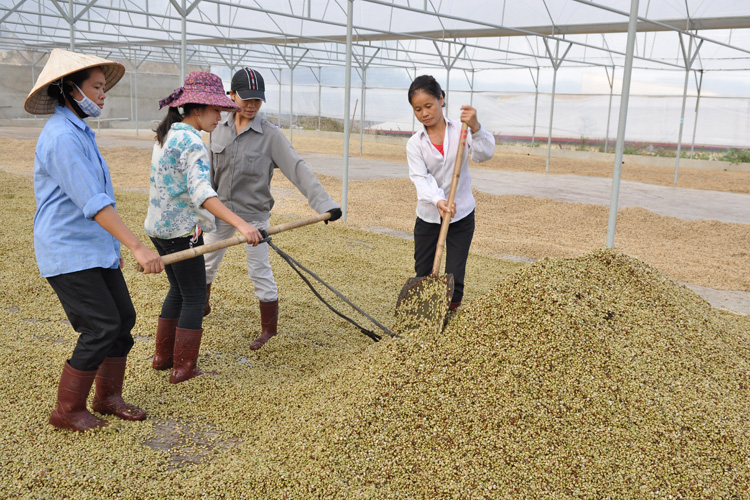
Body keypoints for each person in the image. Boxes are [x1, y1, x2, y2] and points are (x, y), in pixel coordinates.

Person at [25, 48, 165, 432]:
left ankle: (107, 397)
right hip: (67, 251)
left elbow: (97, 200)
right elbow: (93, 201)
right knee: (100, 326)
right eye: (96, 87)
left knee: (123, 319)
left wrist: (112, 249)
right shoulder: (60, 138)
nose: (103, 95)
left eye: (104, 87)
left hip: (92, 249)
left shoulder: (80, 132)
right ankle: (66, 410)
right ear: (69, 89)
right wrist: (137, 246)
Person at [203, 67, 342, 351]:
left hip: (254, 215)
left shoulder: (270, 135)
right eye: (246, 99)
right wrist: (200, 211)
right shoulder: (217, 127)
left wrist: (325, 204)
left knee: (259, 269)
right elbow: (207, 172)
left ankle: (269, 330)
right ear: (231, 96)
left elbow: (297, 169)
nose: (252, 105)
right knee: (204, 263)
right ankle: (199, 307)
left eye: (258, 100)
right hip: (220, 211)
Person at [145, 71, 263, 384]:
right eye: (217, 111)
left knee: (178, 290)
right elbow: (202, 192)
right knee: (195, 296)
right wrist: (241, 224)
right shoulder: (193, 142)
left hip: (158, 229)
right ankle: (184, 368)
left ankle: (162, 357)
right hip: (181, 233)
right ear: (198, 109)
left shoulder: (169, 133)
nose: (220, 117)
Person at [406, 75, 495, 310]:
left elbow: (483, 154)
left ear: (441, 99)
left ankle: (450, 317)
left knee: (455, 275)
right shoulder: (415, 143)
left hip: (461, 214)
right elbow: (420, 177)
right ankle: (423, 315)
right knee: (423, 271)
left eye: (429, 105)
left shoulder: (461, 130)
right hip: (429, 215)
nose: (424, 113)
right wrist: (439, 200)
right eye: (418, 109)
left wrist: (476, 127)